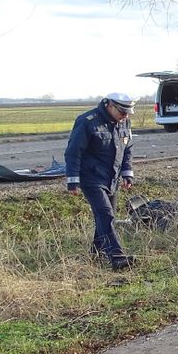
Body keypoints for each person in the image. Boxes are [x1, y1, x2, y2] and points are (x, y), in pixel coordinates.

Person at [65, 93, 137, 270]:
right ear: (109, 106)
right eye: (122, 112)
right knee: (105, 214)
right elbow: (73, 152)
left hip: (112, 177)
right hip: (91, 177)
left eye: (128, 112)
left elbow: (127, 149)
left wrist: (127, 173)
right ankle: (117, 257)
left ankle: (95, 255)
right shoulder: (87, 121)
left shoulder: (124, 122)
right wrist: (73, 181)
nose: (125, 116)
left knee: (104, 218)